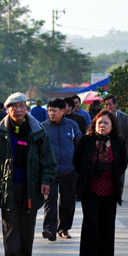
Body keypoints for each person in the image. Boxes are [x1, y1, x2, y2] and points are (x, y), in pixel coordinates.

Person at [0, 92, 56, 256]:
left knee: (27, 223)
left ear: (26, 108)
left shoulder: (37, 131)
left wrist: (46, 180)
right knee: (10, 223)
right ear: (7, 109)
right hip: (7, 185)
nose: (18, 110)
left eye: (22, 106)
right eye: (14, 107)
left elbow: (48, 159)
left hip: (31, 184)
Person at [73, 110, 128, 256]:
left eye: (106, 123)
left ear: (112, 126)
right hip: (90, 190)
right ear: (94, 124)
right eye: (99, 123)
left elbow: (123, 163)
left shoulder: (118, 142)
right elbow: (77, 160)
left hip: (110, 190)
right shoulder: (86, 140)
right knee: (90, 223)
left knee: (107, 225)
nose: (102, 126)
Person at [42, 99, 81, 241]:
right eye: (49, 110)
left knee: (68, 201)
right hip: (49, 171)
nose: (51, 113)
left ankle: (63, 228)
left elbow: (79, 145)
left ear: (62, 111)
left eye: (54, 111)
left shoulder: (72, 126)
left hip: (69, 170)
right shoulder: (43, 128)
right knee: (50, 200)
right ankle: (49, 229)